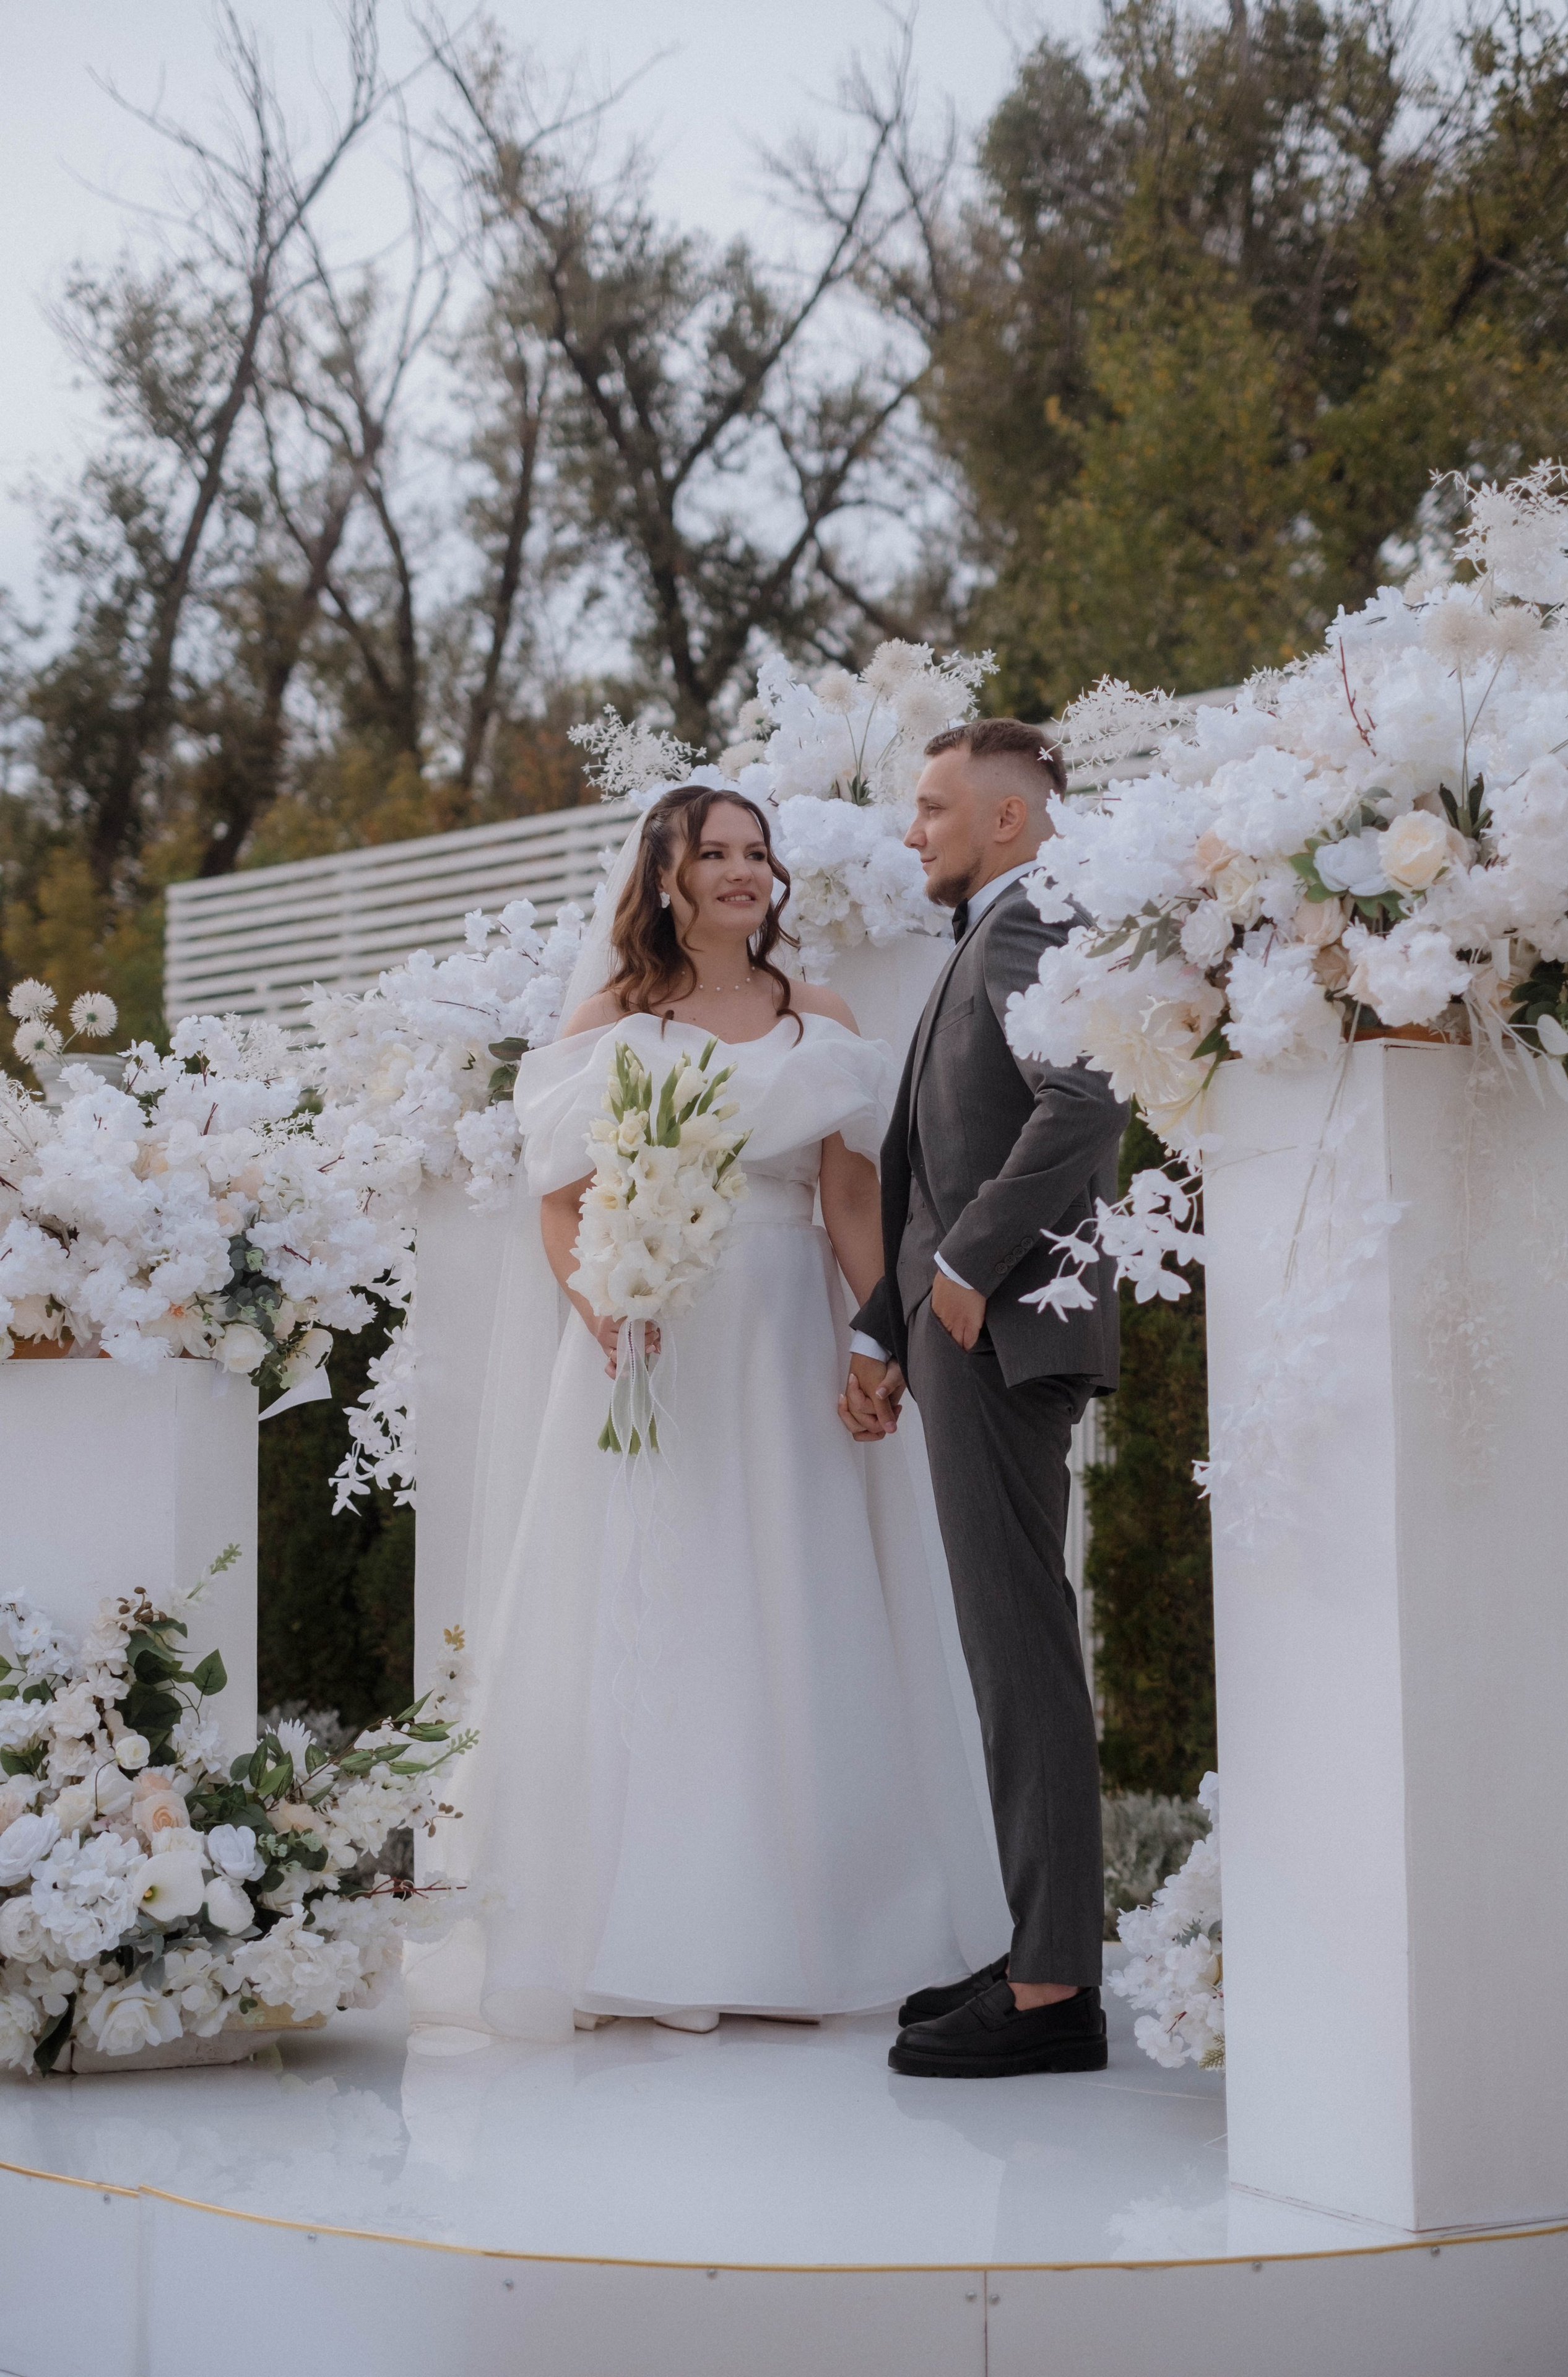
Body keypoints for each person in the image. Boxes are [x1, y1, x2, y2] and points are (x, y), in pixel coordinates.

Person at [449, 784, 1010, 2040]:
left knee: (796, 1595)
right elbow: (560, 1200)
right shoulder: (609, 1021)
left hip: (786, 1331)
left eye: (756, 853)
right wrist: (604, 1310)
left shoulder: (818, 1016)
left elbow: (850, 1199)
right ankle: (649, 1934)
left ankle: (821, 1929)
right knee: (661, 1602)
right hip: (653, 1343)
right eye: (715, 854)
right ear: (666, 877)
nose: (743, 872)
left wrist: (881, 1338)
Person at [844, 718, 1129, 2079]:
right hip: (961, 1334)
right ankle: (1040, 1949)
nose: (912, 832)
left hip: (1001, 1336)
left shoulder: (1030, 923)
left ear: (1006, 819)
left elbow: (1088, 1093)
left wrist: (965, 1268)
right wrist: (883, 1322)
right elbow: (934, 1157)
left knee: (1019, 1651)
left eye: (933, 808)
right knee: (1005, 1647)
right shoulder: (992, 932)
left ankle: (1051, 1990)